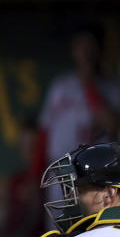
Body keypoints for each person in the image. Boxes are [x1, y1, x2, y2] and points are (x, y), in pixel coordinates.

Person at [39, 23, 120, 164]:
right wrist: (35, 174)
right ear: (74, 50)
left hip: (98, 170)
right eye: (81, 46)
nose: (86, 52)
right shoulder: (61, 86)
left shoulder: (113, 88)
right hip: (62, 169)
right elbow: (45, 131)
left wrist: (89, 85)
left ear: (100, 50)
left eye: (91, 46)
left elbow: (112, 125)